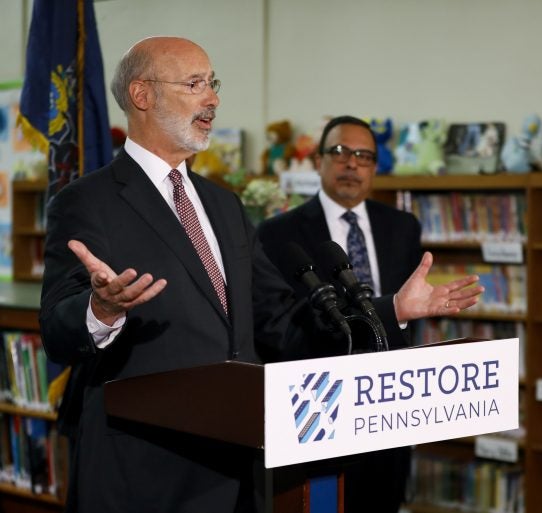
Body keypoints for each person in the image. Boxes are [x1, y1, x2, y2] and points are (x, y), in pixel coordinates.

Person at [38, 37, 482, 513]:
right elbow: (58, 329)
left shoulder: (223, 205)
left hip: (236, 467)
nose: (213, 99)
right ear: (142, 94)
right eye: (195, 84)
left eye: (214, 84)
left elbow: (281, 318)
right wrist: (100, 309)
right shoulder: (87, 202)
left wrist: (390, 307)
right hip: (143, 472)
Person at [257, 115, 421, 512]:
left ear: (374, 168)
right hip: (318, 403)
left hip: (389, 401)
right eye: (340, 152)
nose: (352, 164)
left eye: (364, 156)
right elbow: (278, 322)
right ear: (318, 161)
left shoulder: (402, 227)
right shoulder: (278, 233)